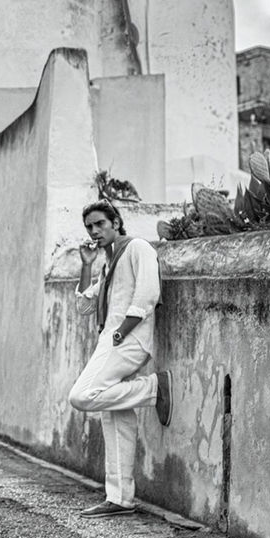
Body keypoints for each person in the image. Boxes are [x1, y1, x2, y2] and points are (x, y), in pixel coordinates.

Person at [67, 200, 172, 517]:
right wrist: (87, 264)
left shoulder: (137, 247)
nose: (94, 231)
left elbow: (148, 293)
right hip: (111, 340)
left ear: (115, 222)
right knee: (114, 417)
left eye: (99, 223)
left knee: (83, 396)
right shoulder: (108, 264)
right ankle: (120, 497)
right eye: (89, 226)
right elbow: (85, 305)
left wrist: (121, 332)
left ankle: (153, 388)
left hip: (126, 339)